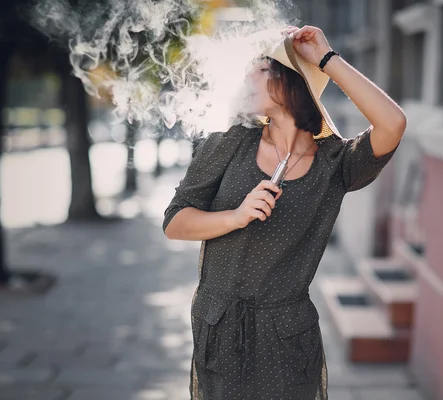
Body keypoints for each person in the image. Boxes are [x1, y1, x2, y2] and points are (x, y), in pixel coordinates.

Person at [163, 25, 406, 400]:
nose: (247, 76)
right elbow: (174, 223)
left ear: (291, 83)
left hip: (288, 339)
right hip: (221, 328)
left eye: (260, 69)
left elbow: (393, 123)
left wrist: (326, 60)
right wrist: (236, 216)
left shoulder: (336, 164)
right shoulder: (230, 142)